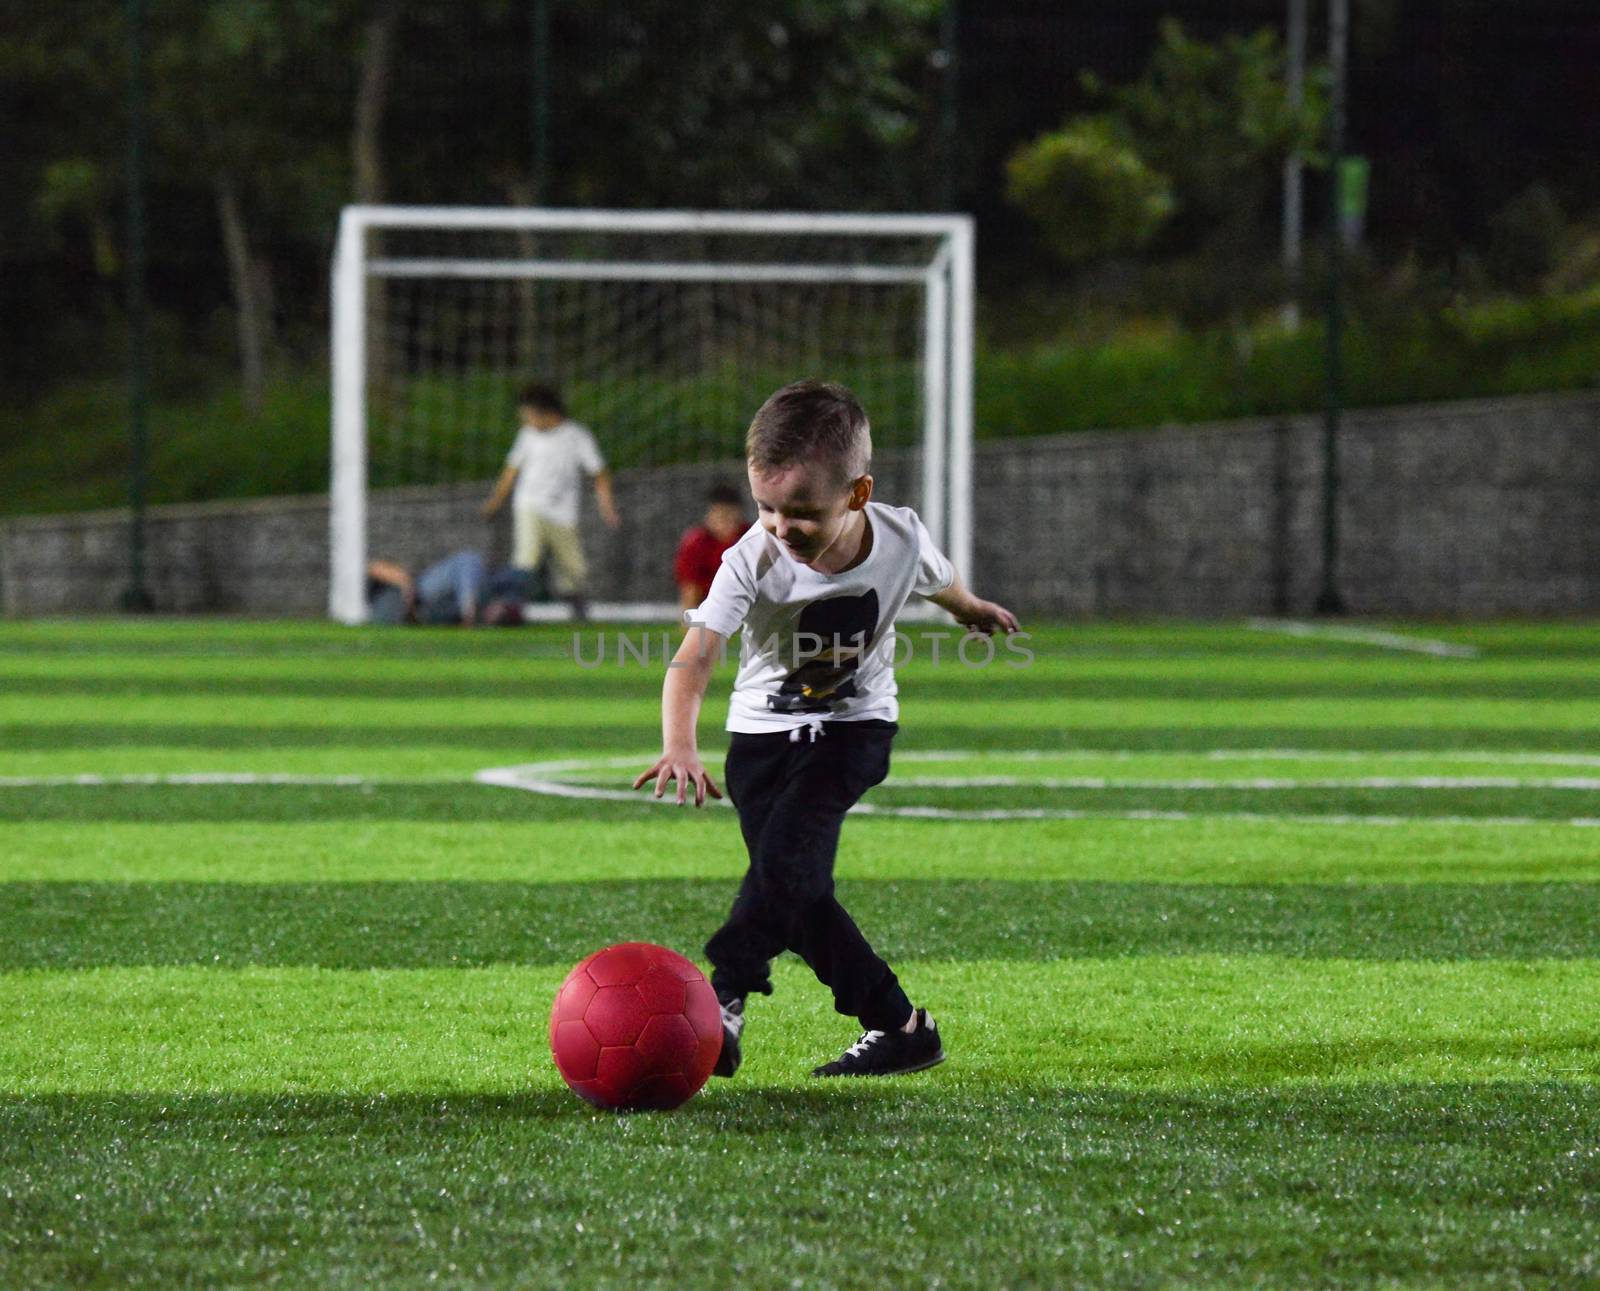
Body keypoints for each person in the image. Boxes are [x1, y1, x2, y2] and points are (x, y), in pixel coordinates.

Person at [633, 380, 1020, 1078]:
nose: (782, 527)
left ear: (858, 494)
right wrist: (679, 743)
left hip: (853, 727)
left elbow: (939, 579)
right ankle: (900, 1025)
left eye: (802, 512)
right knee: (798, 891)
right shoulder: (750, 557)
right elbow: (695, 657)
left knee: (784, 863)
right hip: (759, 740)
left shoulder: (900, 536)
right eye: (766, 507)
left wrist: (969, 608)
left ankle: (725, 991)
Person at [482, 383, 620, 620]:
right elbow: (511, 470)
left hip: (563, 513)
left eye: (528, 415)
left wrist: (607, 508)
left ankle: (577, 607)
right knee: (526, 557)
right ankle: (512, 608)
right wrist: (495, 501)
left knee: (574, 568)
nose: (526, 421)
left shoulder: (576, 436)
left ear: (545, 412)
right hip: (529, 505)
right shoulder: (527, 436)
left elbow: (599, 473)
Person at [673, 482, 747, 610]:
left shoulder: (750, 538)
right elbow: (690, 591)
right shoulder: (696, 543)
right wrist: (695, 626)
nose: (725, 522)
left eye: (730, 515)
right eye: (721, 515)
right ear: (709, 515)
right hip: (710, 609)